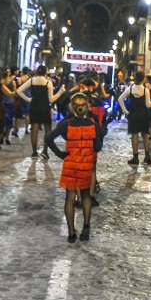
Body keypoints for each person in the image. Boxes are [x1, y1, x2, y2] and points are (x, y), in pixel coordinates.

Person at [45, 92, 104, 243]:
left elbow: (49, 138)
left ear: (72, 107)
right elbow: (97, 147)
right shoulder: (93, 125)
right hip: (85, 165)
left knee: (70, 198)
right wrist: (101, 136)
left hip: (71, 165)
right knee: (85, 196)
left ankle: (71, 233)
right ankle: (86, 226)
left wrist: (60, 154)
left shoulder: (67, 124)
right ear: (87, 107)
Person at [16, 65, 66, 158]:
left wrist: (28, 99)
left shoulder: (31, 80)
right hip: (45, 107)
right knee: (47, 129)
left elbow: (19, 90)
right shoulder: (48, 82)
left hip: (34, 106)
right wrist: (60, 92)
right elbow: (51, 100)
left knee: (34, 129)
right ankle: (45, 151)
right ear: (45, 72)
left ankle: (34, 152)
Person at [117, 71, 151, 165]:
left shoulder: (130, 88)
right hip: (143, 114)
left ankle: (135, 157)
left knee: (134, 135)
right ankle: (147, 156)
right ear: (143, 79)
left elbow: (120, 99)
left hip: (133, 114)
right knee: (145, 135)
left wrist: (125, 111)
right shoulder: (145, 90)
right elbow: (148, 105)